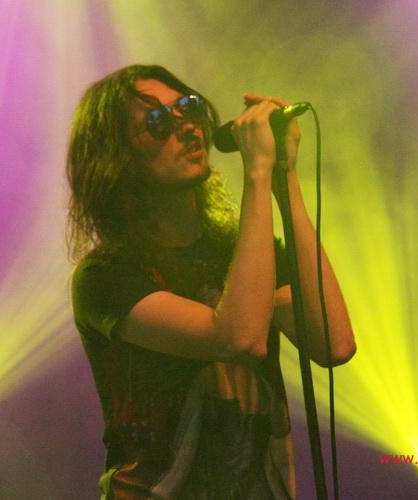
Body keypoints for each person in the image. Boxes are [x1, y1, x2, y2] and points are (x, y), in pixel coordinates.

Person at [67, 64, 355, 499]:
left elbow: (334, 344)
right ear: (118, 158)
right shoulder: (106, 276)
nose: (187, 127)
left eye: (188, 107)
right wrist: (256, 173)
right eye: (158, 122)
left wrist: (284, 178)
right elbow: (237, 339)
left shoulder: (241, 255)